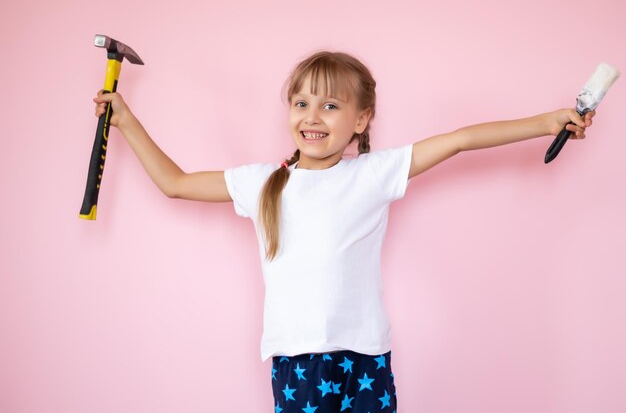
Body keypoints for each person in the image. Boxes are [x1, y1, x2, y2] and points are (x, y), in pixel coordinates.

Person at [93, 51, 595, 413]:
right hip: (298, 364)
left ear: (361, 119)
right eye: (301, 103)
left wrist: (545, 121)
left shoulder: (371, 174)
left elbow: (461, 140)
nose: (312, 117)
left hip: (367, 357)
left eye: (331, 106)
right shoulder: (263, 182)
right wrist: (128, 122)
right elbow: (176, 183)